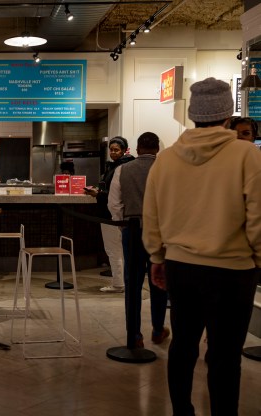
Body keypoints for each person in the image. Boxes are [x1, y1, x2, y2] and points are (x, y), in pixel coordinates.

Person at [142, 77, 261, 415]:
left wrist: (157, 256)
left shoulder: (165, 160)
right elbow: (258, 218)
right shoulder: (245, 155)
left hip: (182, 267)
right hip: (234, 271)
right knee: (224, 356)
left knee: (182, 346)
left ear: (193, 115)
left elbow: (152, 217)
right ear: (227, 115)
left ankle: (182, 411)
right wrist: (257, 257)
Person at [108, 132, 169, 349]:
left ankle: (134, 335)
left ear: (136, 148)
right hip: (161, 233)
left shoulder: (122, 170)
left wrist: (123, 223)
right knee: (159, 282)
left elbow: (114, 203)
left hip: (132, 231)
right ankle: (158, 329)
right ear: (158, 149)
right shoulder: (167, 169)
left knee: (133, 283)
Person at [84, 136, 135, 293]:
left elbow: (114, 196)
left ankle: (119, 284)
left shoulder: (120, 167)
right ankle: (123, 282)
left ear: (124, 150)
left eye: (116, 150)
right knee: (119, 249)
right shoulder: (122, 166)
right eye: (111, 150)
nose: (113, 152)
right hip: (119, 215)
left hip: (111, 215)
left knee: (113, 249)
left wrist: (97, 194)